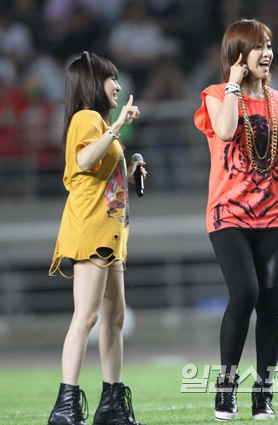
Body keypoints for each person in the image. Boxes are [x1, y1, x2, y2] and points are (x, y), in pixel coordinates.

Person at [194, 18, 278, 421]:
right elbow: (225, 131)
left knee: (271, 305)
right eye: (258, 46)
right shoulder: (216, 95)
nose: (267, 52)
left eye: (269, 45)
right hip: (229, 214)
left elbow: (271, 153)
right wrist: (234, 86)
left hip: (275, 214)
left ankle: (263, 393)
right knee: (246, 293)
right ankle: (226, 386)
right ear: (238, 54)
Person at [47, 51, 146, 425]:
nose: (118, 86)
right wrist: (117, 125)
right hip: (91, 229)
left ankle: (111, 403)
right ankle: (66, 406)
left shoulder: (98, 122)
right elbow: (85, 160)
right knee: (86, 316)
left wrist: (130, 171)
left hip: (109, 232)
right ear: (93, 83)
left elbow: (99, 172)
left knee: (114, 316)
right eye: (111, 79)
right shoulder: (87, 118)